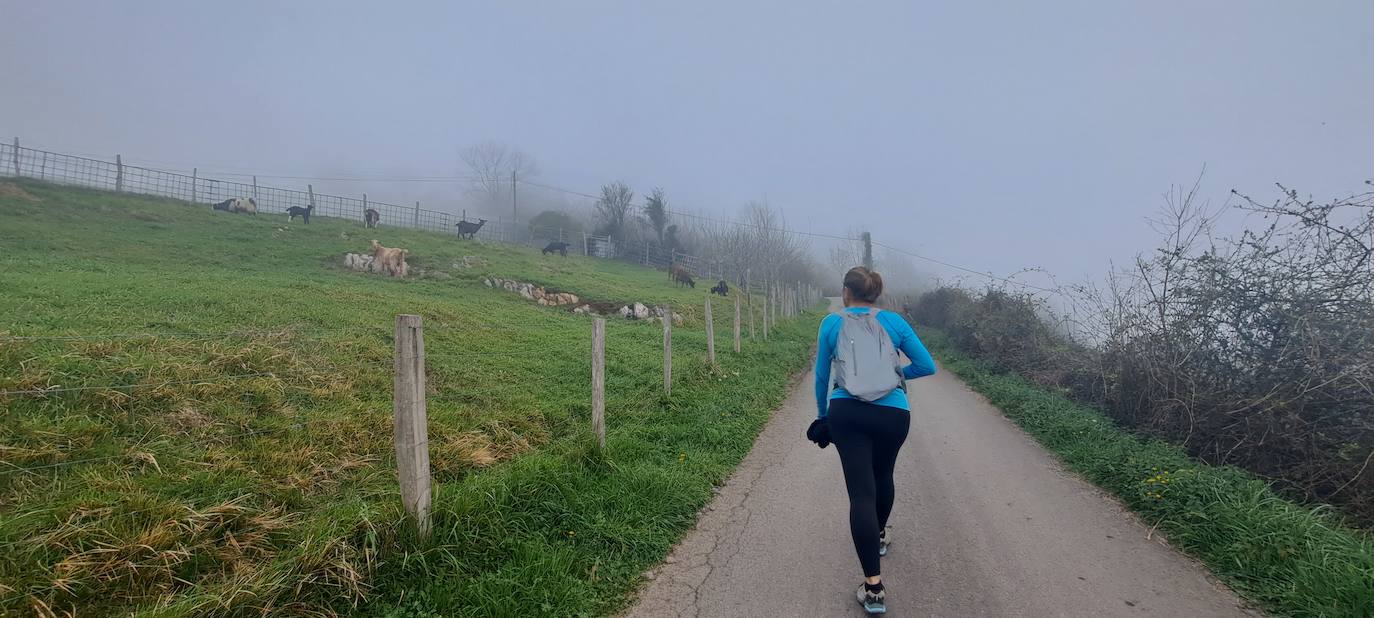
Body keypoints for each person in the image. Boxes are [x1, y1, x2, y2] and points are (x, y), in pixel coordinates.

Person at [813, 266, 936, 614]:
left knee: (860, 493)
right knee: (883, 476)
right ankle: (879, 536)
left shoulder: (832, 324)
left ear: (846, 292)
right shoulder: (895, 323)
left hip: (846, 414)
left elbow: (822, 376)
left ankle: (874, 588)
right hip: (893, 415)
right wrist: (895, 374)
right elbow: (927, 366)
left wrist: (823, 417)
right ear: (876, 294)